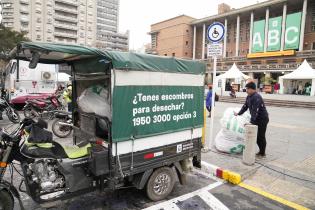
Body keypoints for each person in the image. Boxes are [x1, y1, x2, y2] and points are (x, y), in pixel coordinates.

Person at [234, 82, 269, 157]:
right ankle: (260, 151)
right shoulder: (249, 97)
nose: (246, 90)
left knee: (261, 136)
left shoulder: (257, 97)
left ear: (253, 89)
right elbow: (245, 106)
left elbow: (254, 110)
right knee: (255, 136)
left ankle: (262, 153)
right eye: (246, 88)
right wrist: (238, 113)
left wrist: (251, 122)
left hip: (262, 119)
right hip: (256, 119)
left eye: (248, 89)